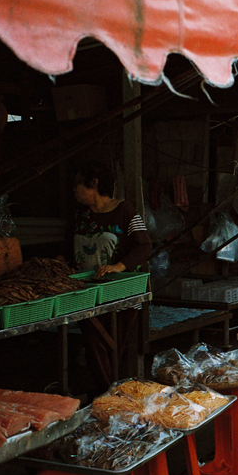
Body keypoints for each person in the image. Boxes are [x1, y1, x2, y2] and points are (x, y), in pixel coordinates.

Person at [70, 163, 152, 389]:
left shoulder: (125, 210)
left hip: (121, 290)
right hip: (87, 290)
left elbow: (144, 246)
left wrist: (119, 266)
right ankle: (109, 396)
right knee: (93, 344)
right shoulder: (80, 215)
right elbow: (70, 246)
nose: (74, 190)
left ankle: (108, 396)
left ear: (94, 183)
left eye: (78, 184)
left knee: (112, 345)